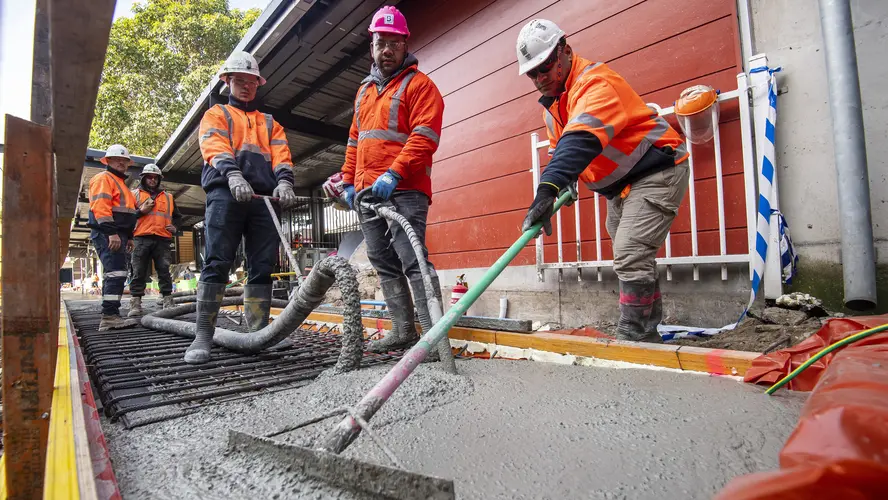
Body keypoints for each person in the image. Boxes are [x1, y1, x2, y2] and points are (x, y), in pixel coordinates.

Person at [517, 19, 690, 343]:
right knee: (633, 255)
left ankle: (632, 337)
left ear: (565, 51)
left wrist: (547, 187)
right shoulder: (554, 109)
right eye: (532, 73)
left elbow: (580, 141)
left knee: (630, 252)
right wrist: (562, 186)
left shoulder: (595, 83)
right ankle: (647, 335)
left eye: (545, 67)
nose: (540, 78)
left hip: (658, 169)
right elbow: (562, 154)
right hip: (623, 187)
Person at [337, 5, 445, 352]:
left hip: (405, 190)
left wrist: (394, 173)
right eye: (380, 42)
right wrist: (350, 181)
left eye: (393, 43)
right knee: (383, 261)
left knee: (413, 260)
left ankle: (432, 337)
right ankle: (403, 330)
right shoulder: (364, 92)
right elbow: (355, 141)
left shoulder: (420, 86)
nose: (386, 50)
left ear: (404, 45)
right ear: (372, 45)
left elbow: (424, 138)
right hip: (368, 193)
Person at [187, 50, 298, 364]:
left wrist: (285, 181)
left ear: (258, 85)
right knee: (217, 260)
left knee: (262, 265)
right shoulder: (217, 114)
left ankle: (258, 331)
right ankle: (203, 336)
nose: (246, 87)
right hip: (227, 193)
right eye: (240, 80)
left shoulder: (269, 122)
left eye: (252, 82)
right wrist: (233, 175)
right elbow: (213, 144)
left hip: (264, 198)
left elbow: (282, 154)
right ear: (228, 81)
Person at [87, 144, 140, 331]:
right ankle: (109, 316)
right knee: (115, 273)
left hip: (119, 235)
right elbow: (101, 207)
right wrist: (111, 233)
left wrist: (130, 236)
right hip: (108, 233)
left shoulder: (121, 185)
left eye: (124, 160)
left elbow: (128, 214)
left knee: (117, 274)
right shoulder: (104, 179)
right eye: (117, 159)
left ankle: (111, 314)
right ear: (107, 161)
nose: (121, 163)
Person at [127, 164, 184, 316]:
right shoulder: (134, 195)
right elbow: (127, 217)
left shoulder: (168, 197)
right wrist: (141, 211)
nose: (152, 180)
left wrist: (175, 227)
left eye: (155, 177)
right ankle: (136, 304)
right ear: (143, 178)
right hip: (140, 238)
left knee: (164, 271)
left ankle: (167, 300)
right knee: (138, 271)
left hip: (162, 239)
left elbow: (178, 217)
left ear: (159, 179)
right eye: (149, 177)